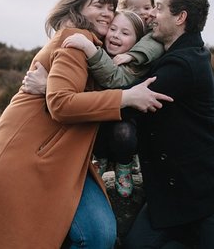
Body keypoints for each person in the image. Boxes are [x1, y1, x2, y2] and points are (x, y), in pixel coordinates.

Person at [0, 0, 172, 249]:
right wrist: (126, 98)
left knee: (98, 234)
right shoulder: (75, 40)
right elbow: (62, 104)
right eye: (98, 6)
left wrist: (48, 84)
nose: (107, 13)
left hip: (65, 156)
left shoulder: (97, 49)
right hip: (33, 152)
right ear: (76, 8)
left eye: (111, 7)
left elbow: (79, 91)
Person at [121, 0, 214, 248]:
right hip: (173, 196)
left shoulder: (184, 64)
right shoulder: (176, 53)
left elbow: (125, 101)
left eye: (159, 8)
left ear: (180, 17)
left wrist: (59, 91)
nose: (152, 15)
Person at [56, 10, 151, 197]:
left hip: (124, 125)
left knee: (123, 133)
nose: (116, 35)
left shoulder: (135, 65)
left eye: (125, 33)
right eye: (113, 29)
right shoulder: (99, 52)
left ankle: (124, 164)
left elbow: (114, 79)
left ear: (137, 42)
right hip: (98, 121)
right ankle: (100, 159)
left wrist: (90, 50)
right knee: (90, 126)